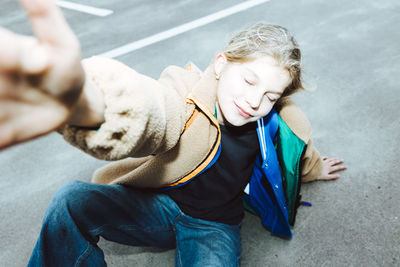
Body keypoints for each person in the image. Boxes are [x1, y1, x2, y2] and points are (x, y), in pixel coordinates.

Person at [0, 0, 347, 266]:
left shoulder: (279, 117)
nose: (255, 101)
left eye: (271, 95)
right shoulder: (183, 89)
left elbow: (296, 149)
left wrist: (314, 169)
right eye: (249, 80)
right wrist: (89, 104)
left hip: (214, 225)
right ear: (222, 63)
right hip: (158, 206)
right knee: (70, 200)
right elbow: (152, 112)